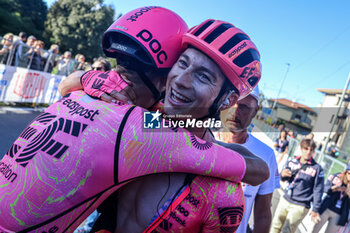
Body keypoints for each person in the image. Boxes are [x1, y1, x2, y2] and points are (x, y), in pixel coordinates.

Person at [0, 7, 267, 232]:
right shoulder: (145, 117)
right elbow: (251, 166)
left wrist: (88, 79)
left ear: (228, 100)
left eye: (203, 76)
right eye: (182, 64)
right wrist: (90, 78)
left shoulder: (221, 191)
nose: (181, 82)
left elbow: (255, 167)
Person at [217, 85, 280, 233]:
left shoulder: (266, 154)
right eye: (231, 102)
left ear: (255, 111)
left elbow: (263, 214)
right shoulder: (200, 139)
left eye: (244, 107)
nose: (235, 111)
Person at [270, 139, 324, 233]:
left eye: (311, 150)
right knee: (275, 226)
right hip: (286, 199)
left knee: (287, 230)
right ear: (301, 148)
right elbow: (283, 178)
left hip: (301, 205)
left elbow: (318, 190)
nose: (308, 152)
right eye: (306, 149)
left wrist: (315, 209)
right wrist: (283, 174)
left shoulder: (317, 168)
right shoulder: (293, 161)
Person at [311, 166, 350, 233]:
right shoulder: (336, 177)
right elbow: (325, 189)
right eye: (349, 173)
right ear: (346, 172)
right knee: (315, 230)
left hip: (339, 214)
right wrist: (335, 188)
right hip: (326, 208)